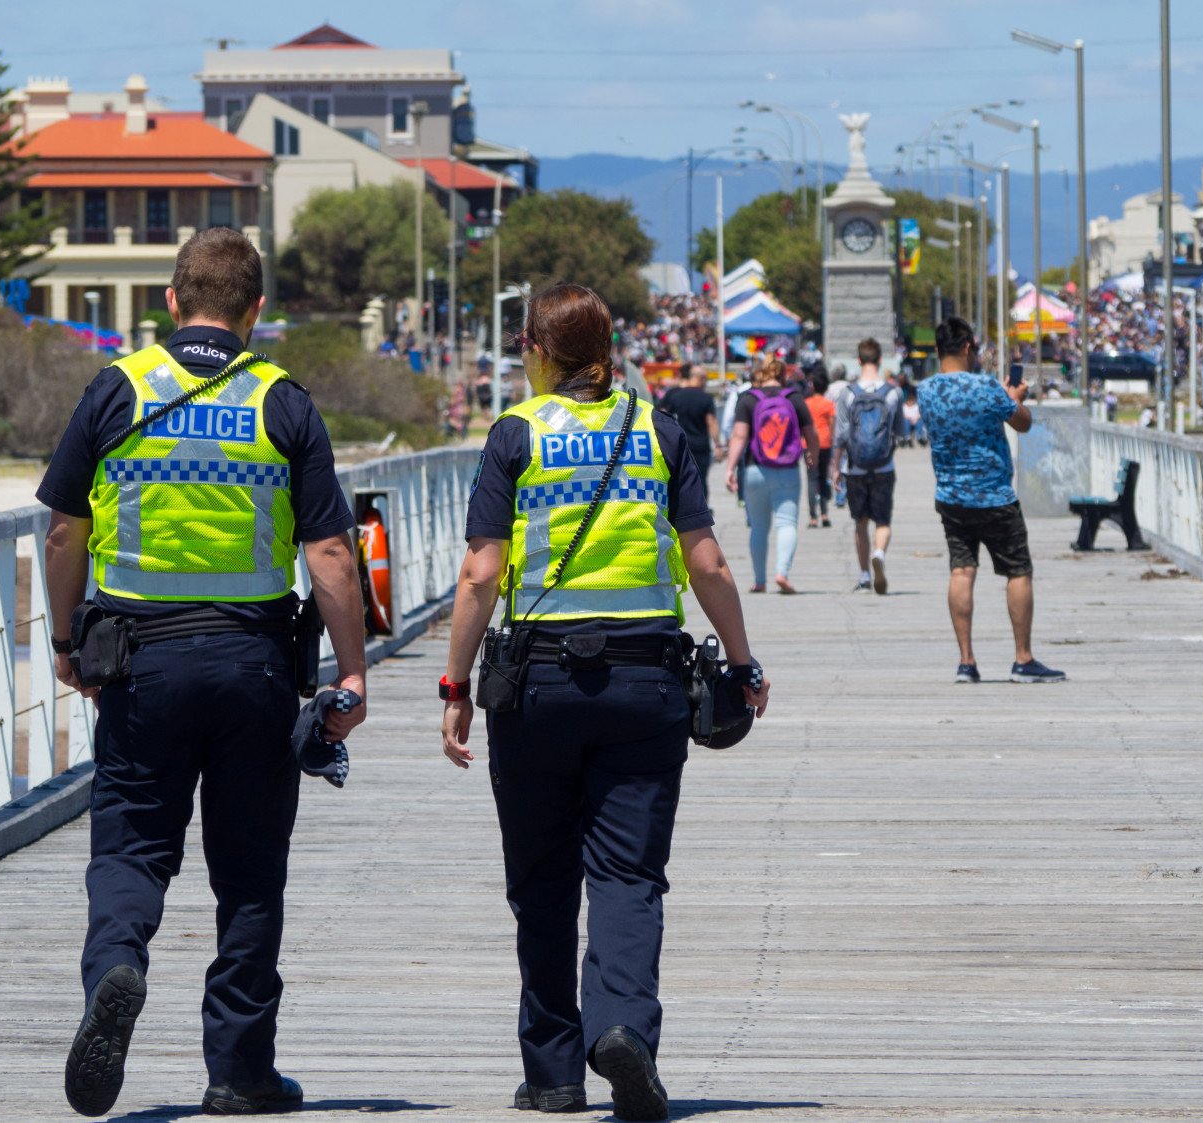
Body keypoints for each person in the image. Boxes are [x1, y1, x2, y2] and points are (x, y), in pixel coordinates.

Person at [39, 228, 370, 1117]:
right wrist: (353, 670)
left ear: (173, 302)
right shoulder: (282, 402)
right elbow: (331, 552)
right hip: (254, 665)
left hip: (140, 665)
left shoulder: (118, 387)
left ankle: (116, 964)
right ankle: (239, 1069)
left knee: (132, 847)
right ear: (255, 312)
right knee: (250, 871)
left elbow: (65, 528)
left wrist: (69, 639)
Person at [439, 282, 771, 1122]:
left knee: (543, 880)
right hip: (646, 680)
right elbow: (706, 562)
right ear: (608, 348)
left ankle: (552, 1073)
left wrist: (455, 687)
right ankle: (622, 1027)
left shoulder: (515, 435)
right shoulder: (658, 429)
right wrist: (741, 660)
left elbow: (481, 572)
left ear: (540, 351)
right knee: (627, 874)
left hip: (538, 685)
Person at [916, 316, 1066, 684]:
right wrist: (1014, 399)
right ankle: (1022, 659)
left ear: (938, 351)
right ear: (968, 348)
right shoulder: (986, 388)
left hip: (951, 496)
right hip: (995, 496)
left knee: (961, 571)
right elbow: (1023, 423)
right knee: (1018, 571)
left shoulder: (926, 391)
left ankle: (966, 662)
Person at [724, 357, 819, 594]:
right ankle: (782, 573)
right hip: (787, 469)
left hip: (755, 468)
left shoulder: (748, 399)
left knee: (758, 527)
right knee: (787, 523)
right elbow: (811, 432)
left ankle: (759, 581)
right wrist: (813, 456)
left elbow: (739, 436)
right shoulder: (793, 397)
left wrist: (730, 467)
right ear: (782, 374)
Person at [833, 339, 905, 594]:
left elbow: (841, 434)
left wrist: (834, 467)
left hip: (856, 468)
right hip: (884, 466)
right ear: (880, 360)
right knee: (883, 521)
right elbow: (900, 431)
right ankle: (879, 553)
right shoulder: (894, 392)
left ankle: (864, 575)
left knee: (860, 522)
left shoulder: (848, 393)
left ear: (859, 360)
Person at [658, 362, 720, 505]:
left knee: (677, 480)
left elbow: (662, 416)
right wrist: (718, 445)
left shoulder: (674, 395)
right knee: (701, 480)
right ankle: (702, 510)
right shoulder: (706, 398)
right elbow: (712, 423)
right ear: (699, 378)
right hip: (700, 447)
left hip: (677, 446)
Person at [802, 371, 836, 528]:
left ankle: (812, 517)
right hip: (825, 443)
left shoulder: (806, 403)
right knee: (823, 478)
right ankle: (825, 514)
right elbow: (832, 425)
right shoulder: (829, 404)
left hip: (808, 444)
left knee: (811, 479)